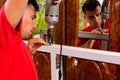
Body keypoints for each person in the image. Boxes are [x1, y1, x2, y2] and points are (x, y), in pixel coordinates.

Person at [0, 0, 61, 80]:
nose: (35, 25)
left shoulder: (17, 44)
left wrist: (26, 51)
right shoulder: (3, 33)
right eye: (32, 18)